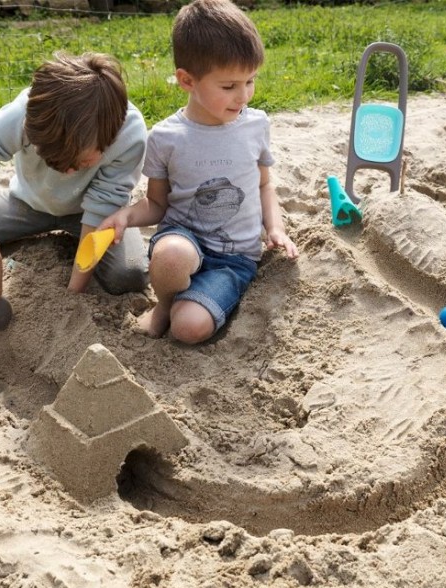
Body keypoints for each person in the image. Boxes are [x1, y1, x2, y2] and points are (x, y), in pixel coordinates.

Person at [98, 0, 298, 345]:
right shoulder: (165, 137)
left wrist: (275, 229)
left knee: (189, 328)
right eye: (229, 86)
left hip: (234, 258)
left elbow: (265, 185)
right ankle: (165, 303)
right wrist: (126, 216)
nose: (244, 96)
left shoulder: (256, 125)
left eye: (250, 81)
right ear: (187, 80)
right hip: (183, 240)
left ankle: (189, 306)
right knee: (172, 256)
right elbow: (157, 205)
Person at [0, 51, 149, 312]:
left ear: (110, 138)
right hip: (27, 203)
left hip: (96, 218)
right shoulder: (27, 114)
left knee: (129, 275)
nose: (67, 172)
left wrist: (72, 296)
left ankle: (67, 241)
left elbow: (102, 206)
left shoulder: (130, 134)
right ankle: (31, 237)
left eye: (79, 163)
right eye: (52, 160)